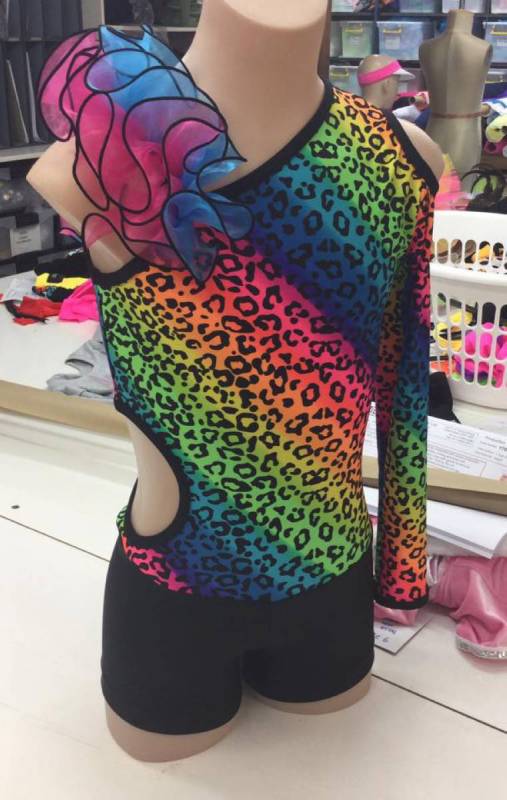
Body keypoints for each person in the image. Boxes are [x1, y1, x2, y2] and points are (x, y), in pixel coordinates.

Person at [27, 0, 444, 763]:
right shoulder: (103, 147)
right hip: (171, 597)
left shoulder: (400, 156)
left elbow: (405, 382)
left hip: (330, 589)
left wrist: (401, 564)